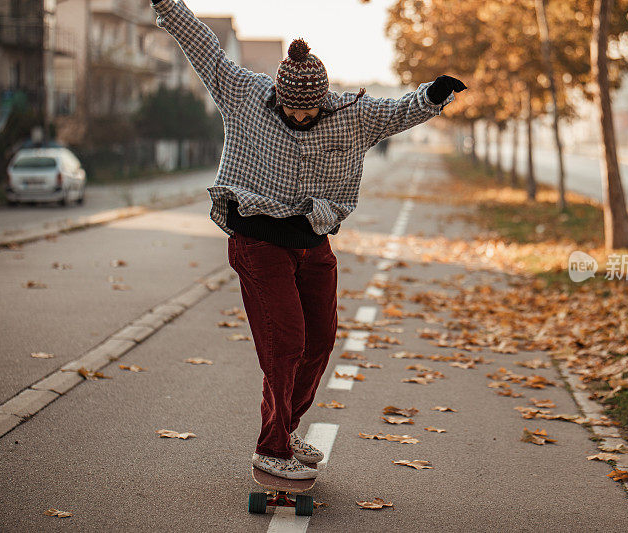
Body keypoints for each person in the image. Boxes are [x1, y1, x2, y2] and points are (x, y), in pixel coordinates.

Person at [150, 0, 466, 480]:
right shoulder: (244, 94)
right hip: (256, 238)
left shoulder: (351, 116)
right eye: (291, 109)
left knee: (320, 340)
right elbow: (205, 49)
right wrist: (168, 5)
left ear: (323, 98)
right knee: (287, 342)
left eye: (308, 110)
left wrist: (433, 95)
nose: (299, 118)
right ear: (277, 94)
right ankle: (270, 447)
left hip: (313, 240)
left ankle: (286, 429)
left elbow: (398, 111)